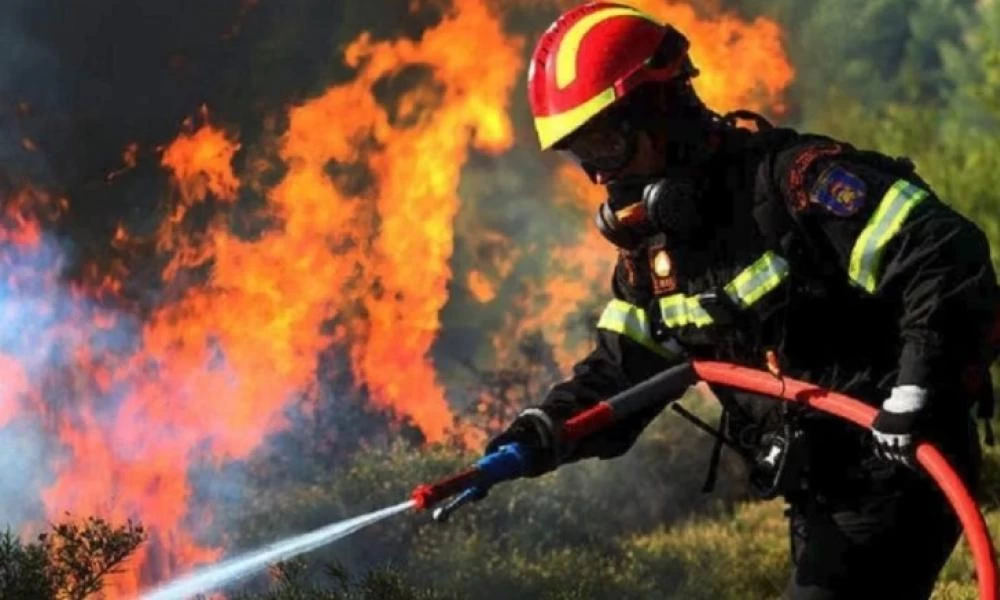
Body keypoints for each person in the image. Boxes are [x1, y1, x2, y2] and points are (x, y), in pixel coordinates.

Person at [485, 2, 999, 598]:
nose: (600, 178)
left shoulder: (795, 185)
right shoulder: (658, 256)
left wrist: (917, 389)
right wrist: (543, 430)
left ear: (662, 111)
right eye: (584, 158)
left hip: (900, 464)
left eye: (606, 148)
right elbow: (626, 368)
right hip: (819, 487)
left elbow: (943, 252)